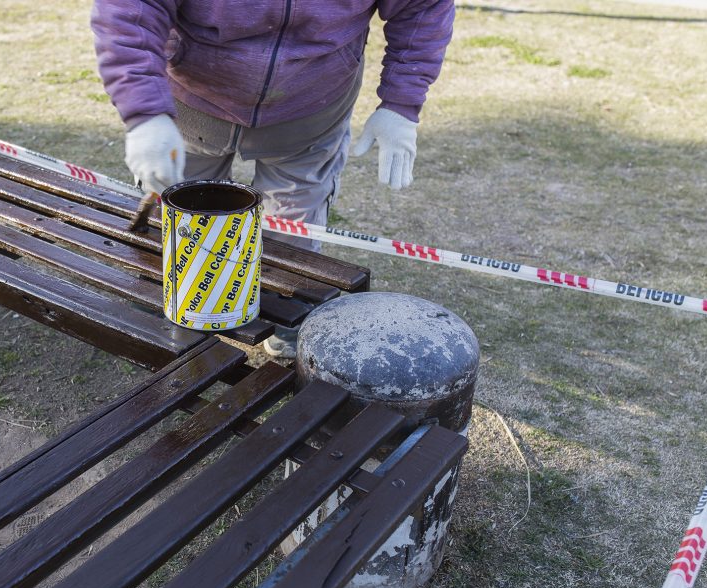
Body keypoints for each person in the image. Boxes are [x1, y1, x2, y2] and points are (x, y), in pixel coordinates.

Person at [92, 0, 454, 357]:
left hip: (312, 106)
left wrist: (400, 104)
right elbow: (131, 9)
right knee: (180, 217)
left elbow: (422, 6)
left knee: (294, 225)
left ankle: (286, 316)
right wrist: (146, 112)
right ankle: (168, 305)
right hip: (192, 100)